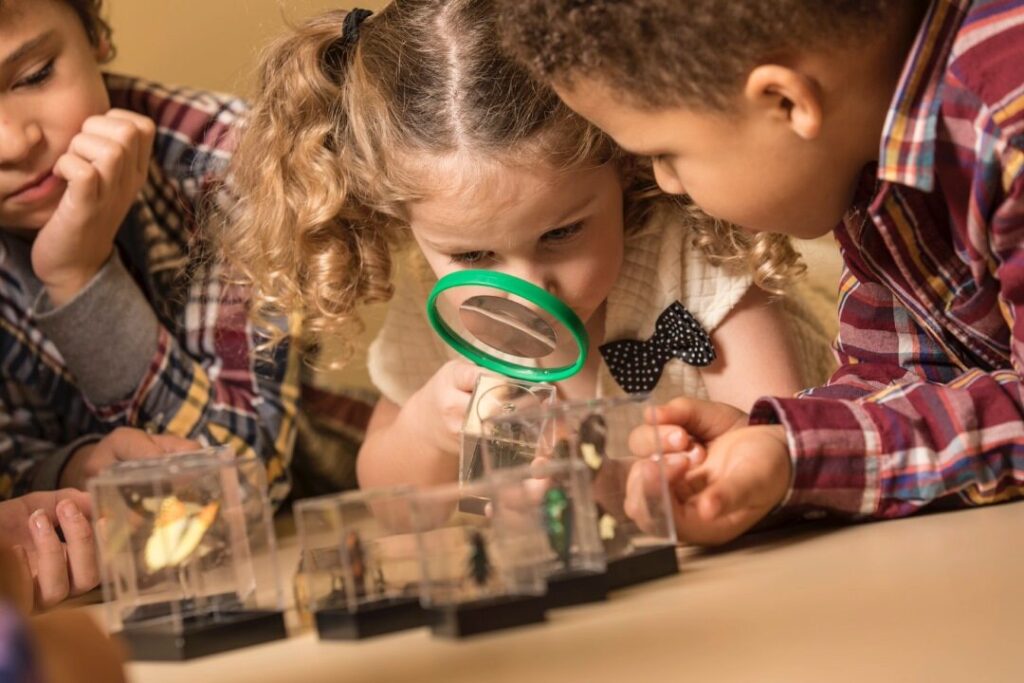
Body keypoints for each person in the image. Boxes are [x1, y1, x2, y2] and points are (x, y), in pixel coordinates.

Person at [217, 0, 836, 497]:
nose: (531, 289)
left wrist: (646, 481)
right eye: (472, 256)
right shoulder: (442, 306)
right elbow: (391, 504)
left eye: (561, 234)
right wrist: (430, 430)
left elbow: (782, 445)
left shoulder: (696, 254)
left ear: (624, 167)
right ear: (407, 226)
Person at [497, 0, 1024, 544]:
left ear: (785, 101)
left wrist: (804, 455)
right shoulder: (865, 161)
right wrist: (777, 444)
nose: (668, 183)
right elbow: (908, 379)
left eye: (663, 153)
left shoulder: (1011, 113)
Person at [0, 0, 300, 503]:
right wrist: (71, 471)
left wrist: (83, 279)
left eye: (35, 75)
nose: (13, 143)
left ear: (96, 33)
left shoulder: (227, 165)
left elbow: (246, 478)